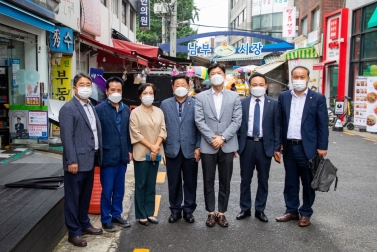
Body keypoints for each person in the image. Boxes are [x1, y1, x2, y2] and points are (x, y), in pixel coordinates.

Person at [276, 66, 329, 227]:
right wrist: (278, 145)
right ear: (291, 78)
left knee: (308, 181)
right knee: (290, 180)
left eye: (302, 76)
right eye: (295, 76)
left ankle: (306, 212)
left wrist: (322, 146)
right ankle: (291, 210)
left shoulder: (317, 98)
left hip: (309, 148)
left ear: (308, 78)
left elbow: (322, 124)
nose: (298, 79)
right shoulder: (284, 96)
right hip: (289, 147)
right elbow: (279, 122)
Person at [195, 63, 242, 227]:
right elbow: (199, 120)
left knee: (225, 180)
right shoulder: (200, 97)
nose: (216, 75)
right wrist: (211, 138)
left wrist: (222, 138)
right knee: (208, 180)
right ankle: (210, 212)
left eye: (219, 72)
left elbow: (237, 121)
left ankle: (221, 213)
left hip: (227, 145)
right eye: (213, 73)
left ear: (224, 75)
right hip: (208, 146)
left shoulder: (234, 97)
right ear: (209, 76)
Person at [59, 73, 103, 247]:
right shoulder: (68, 109)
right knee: (72, 198)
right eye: (82, 84)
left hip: (90, 159)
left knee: (85, 196)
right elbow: (67, 137)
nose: (86, 87)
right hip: (76, 161)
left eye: (88, 84)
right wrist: (71, 160)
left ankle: (84, 223)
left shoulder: (90, 105)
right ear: (74, 88)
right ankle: (74, 232)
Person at [236, 73, 281, 223]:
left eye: (261, 85)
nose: (258, 87)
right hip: (247, 144)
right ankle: (245, 208)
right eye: (254, 85)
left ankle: (260, 209)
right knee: (245, 179)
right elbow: (237, 125)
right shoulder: (242, 103)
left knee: (263, 180)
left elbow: (277, 127)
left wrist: (276, 148)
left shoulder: (274, 104)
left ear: (266, 86)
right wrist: (236, 145)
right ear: (249, 86)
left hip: (264, 145)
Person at [160, 75, 201, 224]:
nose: (180, 87)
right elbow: (162, 127)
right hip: (172, 149)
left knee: (190, 182)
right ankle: (175, 210)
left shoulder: (196, 104)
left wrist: (198, 146)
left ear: (189, 86)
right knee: (174, 182)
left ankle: (189, 210)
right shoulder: (165, 104)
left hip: (190, 149)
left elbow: (200, 128)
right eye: (177, 84)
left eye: (183, 84)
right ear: (172, 87)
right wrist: (162, 150)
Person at [95, 76, 132, 232]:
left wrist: (129, 149)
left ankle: (117, 214)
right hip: (108, 155)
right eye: (113, 90)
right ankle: (106, 218)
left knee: (119, 189)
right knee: (107, 189)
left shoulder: (126, 109)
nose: (116, 92)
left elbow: (128, 132)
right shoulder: (99, 109)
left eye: (119, 90)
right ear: (107, 91)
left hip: (122, 155)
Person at [129, 83, 167, 226]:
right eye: (145, 93)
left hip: (155, 152)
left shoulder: (159, 111)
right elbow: (135, 132)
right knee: (141, 183)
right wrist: (151, 146)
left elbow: (163, 129)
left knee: (151, 183)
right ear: (140, 96)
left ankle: (150, 213)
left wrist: (156, 146)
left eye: (151, 93)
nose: (148, 96)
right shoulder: (135, 112)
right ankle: (141, 214)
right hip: (141, 152)